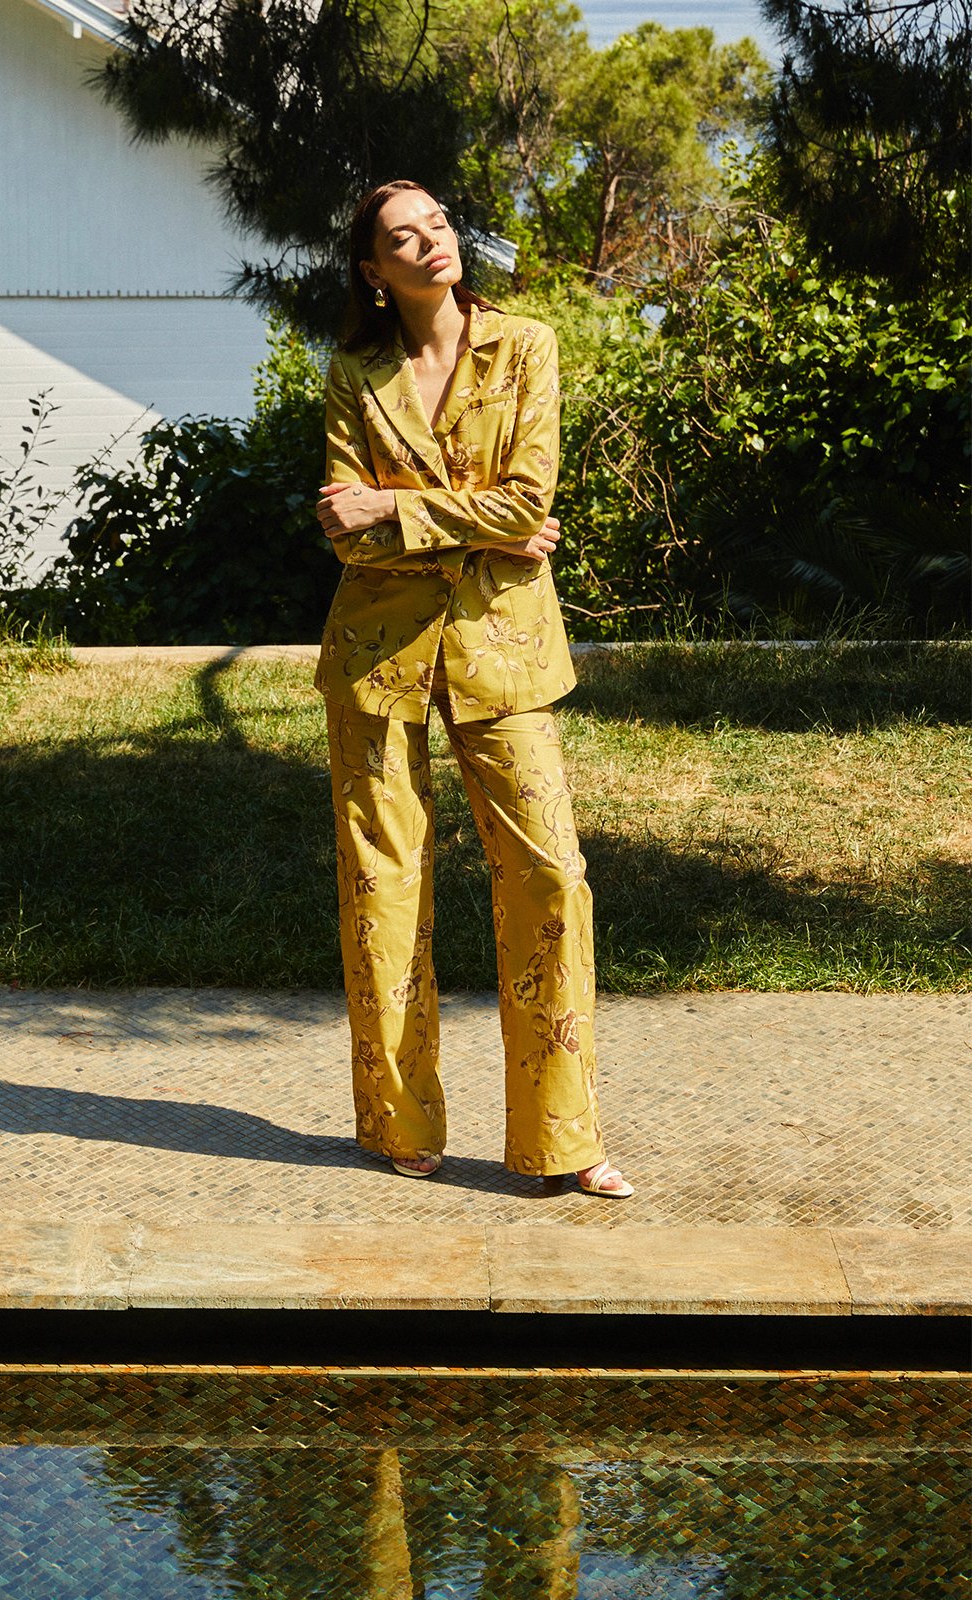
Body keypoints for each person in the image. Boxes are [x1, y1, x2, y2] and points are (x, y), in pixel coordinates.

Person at [313, 178, 633, 1198]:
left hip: (506, 652)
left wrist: (396, 510)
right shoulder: (354, 372)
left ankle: (562, 1137)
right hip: (375, 659)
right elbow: (342, 531)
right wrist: (482, 526)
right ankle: (397, 1120)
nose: (430, 244)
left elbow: (530, 500)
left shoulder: (525, 346)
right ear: (374, 270)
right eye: (402, 239)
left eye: (439, 225)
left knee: (551, 876)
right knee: (383, 886)